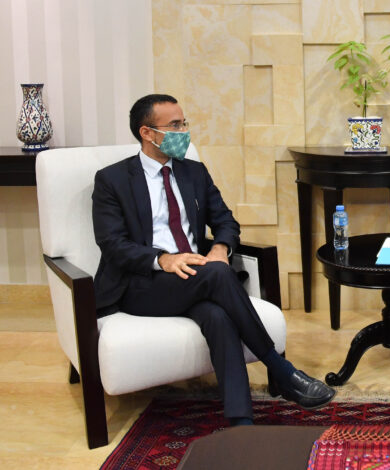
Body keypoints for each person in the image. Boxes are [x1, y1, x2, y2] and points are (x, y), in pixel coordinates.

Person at [92, 94, 335, 426]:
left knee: (218, 315)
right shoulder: (113, 180)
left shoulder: (193, 172)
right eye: (174, 126)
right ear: (147, 133)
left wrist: (220, 248)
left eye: (184, 123)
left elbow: (225, 221)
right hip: (141, 285)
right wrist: (162, 259)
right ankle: (280, 369)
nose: (184, 132)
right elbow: (112, 244)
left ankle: (241, 422)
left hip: (194, 278)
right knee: (219, 276)